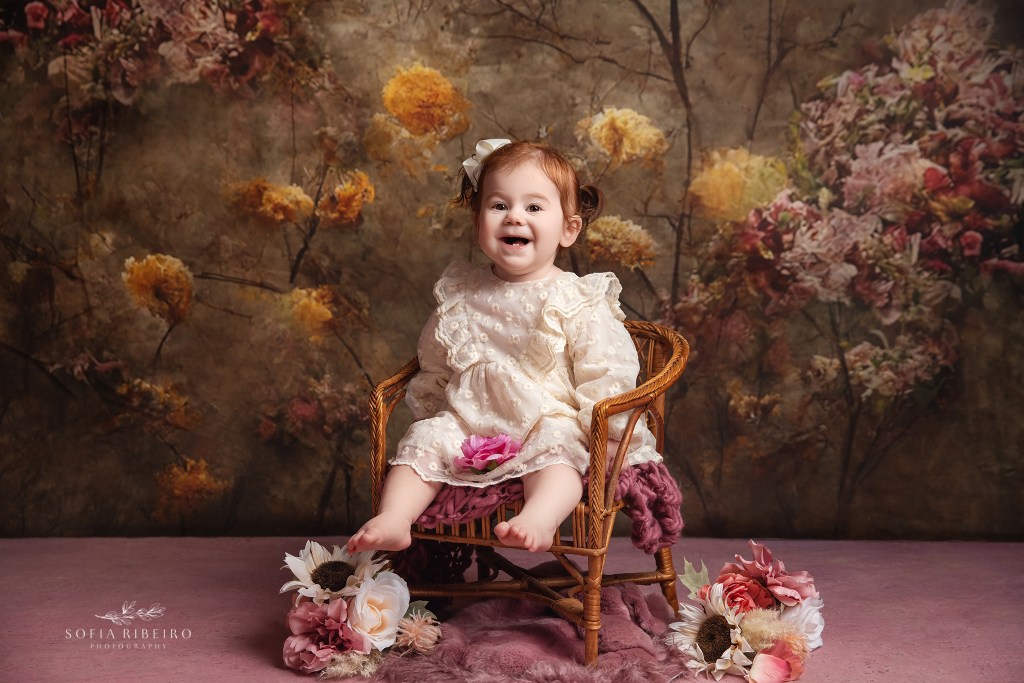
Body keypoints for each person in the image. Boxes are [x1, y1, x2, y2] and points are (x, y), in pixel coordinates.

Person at [347, 139, 660, 554]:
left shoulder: (574, 299)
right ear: (478, 220)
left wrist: (611, 432)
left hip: (545, 419)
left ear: (568, 230)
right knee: (423, 442)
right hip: (468, 419)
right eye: (498, 205)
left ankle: (539, 517)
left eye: (534, 207)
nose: (514, 216)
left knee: (558, 454)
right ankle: (395, 517)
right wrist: (435, 411)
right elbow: (436, 363)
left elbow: (605, 370)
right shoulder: (462, 294)